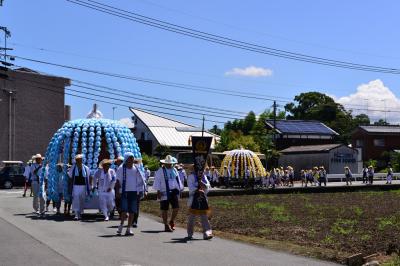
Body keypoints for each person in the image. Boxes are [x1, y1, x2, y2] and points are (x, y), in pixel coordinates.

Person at [115, 152, 146, 236]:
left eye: (132, 158)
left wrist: (141, 191)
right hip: (124, 192)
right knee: (124, 210)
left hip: (134, 192)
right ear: (126, 159)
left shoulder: (136, 168)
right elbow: (117, 181)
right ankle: (121, 225)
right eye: (130, 158)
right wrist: (117, 192)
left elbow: (141, 180)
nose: (131, 160)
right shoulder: (121, 168)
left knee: (132, 211)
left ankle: (128, 228)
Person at [153, 155, 184, 232]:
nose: (170, 165)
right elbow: (157, 181)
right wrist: (158, 191)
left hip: (173, 191)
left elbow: (177, 180)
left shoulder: (174, 170)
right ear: (165, 163)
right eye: (168, 163)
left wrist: (180, 188)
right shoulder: (160, 171)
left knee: (176, 208)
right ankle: (166, 225)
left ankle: (171, 220)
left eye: (171, 163)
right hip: (164, 192)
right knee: (164, 209)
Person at [187, 170, 213, 240]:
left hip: (202, 199)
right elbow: (190, 187)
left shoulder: (204, 176)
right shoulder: (191, 176)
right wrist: (197, 189)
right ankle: (190, 233)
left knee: (204, 217)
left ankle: (207, 233)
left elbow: (208, 186)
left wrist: (203, 185)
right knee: (192, 218)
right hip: (193, 199)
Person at [68, 154, 93, 221]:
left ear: (82, 160)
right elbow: (70, 177)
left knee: (82, 199)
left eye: (80, 160)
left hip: (83, 186)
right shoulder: (73, 168)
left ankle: (80, 213)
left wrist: (90, 185)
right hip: (75, 186)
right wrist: (70, 187)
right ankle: (76, 214)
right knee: (76, 199)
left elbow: (90, 176)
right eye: (77, 160)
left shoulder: (86, 168)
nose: (79, 161)